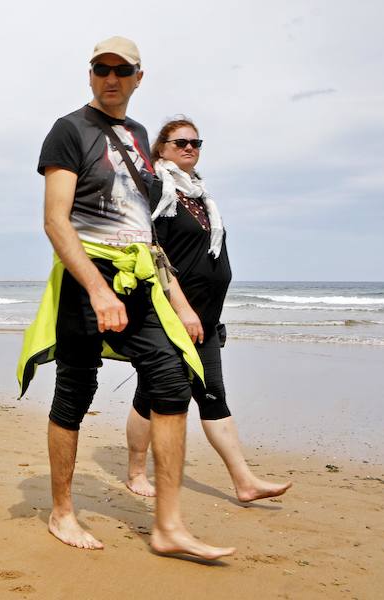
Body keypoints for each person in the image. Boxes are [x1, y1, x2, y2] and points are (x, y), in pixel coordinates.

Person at [17, 36, 234, 560]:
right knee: (76, 390)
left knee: (170, 380)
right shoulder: (68, 131)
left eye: (122, 70)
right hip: (87, 280)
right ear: (90, 74)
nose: (111, 78)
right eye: (101, 69)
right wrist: (96, 288)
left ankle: (169, 526)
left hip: (141, 281)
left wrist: (178, 301)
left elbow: (146, 231)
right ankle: (62, 511)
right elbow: (54, 220)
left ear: (140, 77)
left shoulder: (138, 136)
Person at [125, 118, 292, 502]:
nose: (189, 147)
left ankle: (244, 481)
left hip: (206, 319)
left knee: (213, 393)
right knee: (151, 394)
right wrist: (181, 309)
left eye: (195, 142)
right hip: (171, 316)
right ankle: (136, 471)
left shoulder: (200, 197)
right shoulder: (155, 189)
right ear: (161, 148)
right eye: (180, 142)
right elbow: (154, 254)